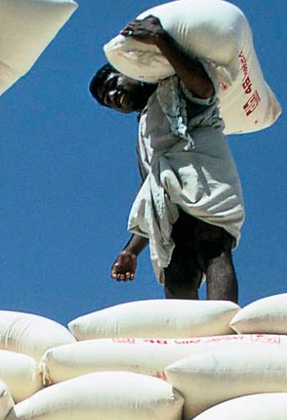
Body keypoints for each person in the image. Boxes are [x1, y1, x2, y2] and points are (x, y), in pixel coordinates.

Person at [92, 16, 244, 302]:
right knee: (178, 273)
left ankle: (222, 330)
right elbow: (151, 193)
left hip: (203, 180)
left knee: (210, 248)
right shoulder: (144, 131)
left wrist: (160, 39)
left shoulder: (173, 87)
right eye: (106, 99)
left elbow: (204, 89)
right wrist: (130, 250)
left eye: (113, 84)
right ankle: (188, 339)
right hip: (170, 205)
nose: (112, 96)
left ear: (135, 73)